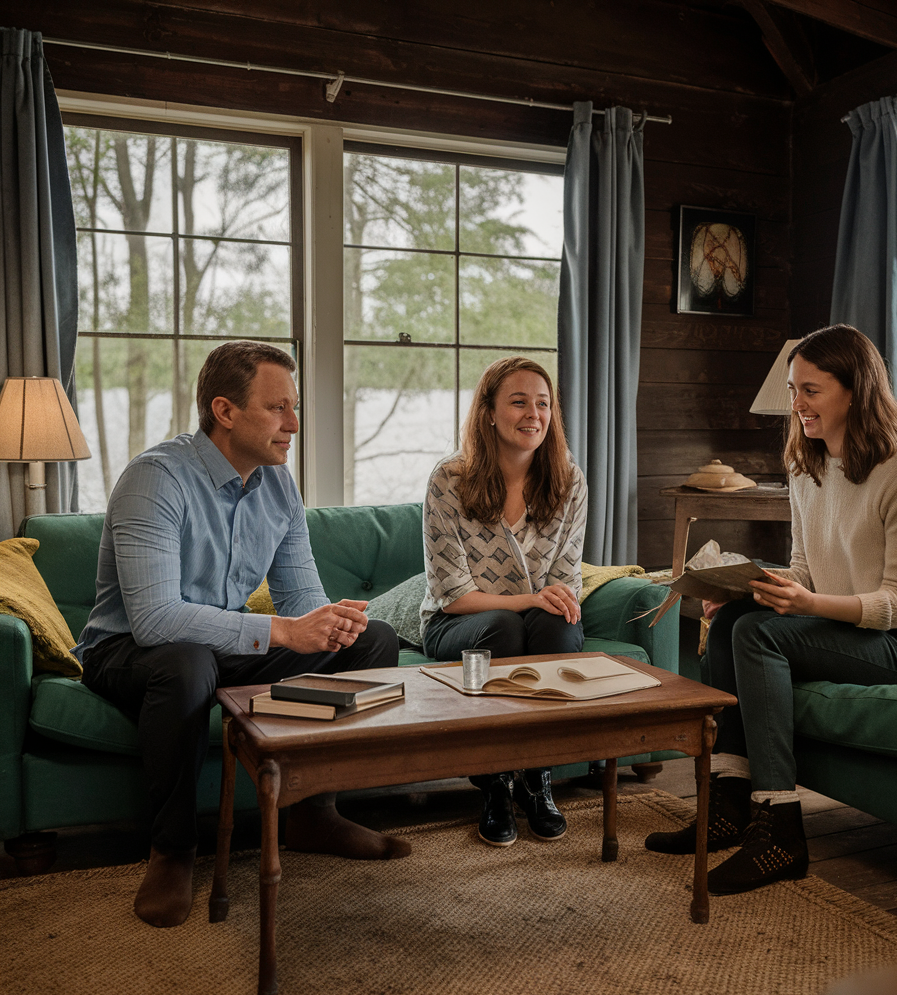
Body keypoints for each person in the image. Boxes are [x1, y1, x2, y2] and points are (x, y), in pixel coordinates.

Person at [73, 341, 410, 929]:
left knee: (371, 641)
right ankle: (172, 849)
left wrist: (334, 623)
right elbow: (156, 620)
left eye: (295, 408)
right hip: (130, 652)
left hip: (218, 650)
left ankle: (310, 812)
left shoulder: (279, 486)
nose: (295, 424)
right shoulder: (155, 479)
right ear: (224, 411)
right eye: (279, 408)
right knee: (185, 664)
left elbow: (303, 601)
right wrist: (284, 631)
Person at [645, 324, 897, 895]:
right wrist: (749, 585)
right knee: (736, 618)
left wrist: (807, 603)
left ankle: (780, 828)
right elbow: (807, 571)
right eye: (793, 390)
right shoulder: (805, 467)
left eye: (811, 390)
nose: (797, 405)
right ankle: (729, 806)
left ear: (855, 390)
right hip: (847, 628)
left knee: (760, 635)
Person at [421, 356, 588, 847]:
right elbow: (452, 595)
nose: (533, 414)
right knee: (504, 627)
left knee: (556, 626)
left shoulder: (569, 481)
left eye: (543, 403)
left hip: (532, 619)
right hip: (458, 625)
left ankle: (537, 777)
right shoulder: (449, 480)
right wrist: (531, 598)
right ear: (488, 412)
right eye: (518, 402)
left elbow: (566, 579)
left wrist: (549, 600)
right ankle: (494, 779)